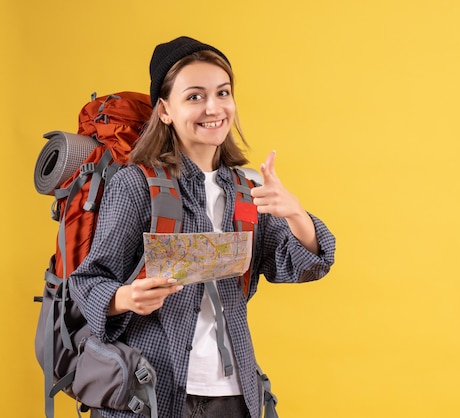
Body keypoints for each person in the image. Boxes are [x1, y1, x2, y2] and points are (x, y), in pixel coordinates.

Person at [69, 35, 336, 418]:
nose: (214, 107)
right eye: (194, 96)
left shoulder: (247, 188)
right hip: (147, 391)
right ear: (164, 110)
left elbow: (303, 265)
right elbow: (88, 281)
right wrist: (127, 298)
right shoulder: (135, 185)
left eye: (223, 92)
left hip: (234, 393)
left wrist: (296, 214)